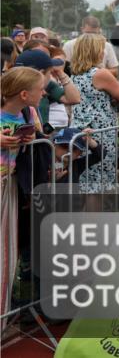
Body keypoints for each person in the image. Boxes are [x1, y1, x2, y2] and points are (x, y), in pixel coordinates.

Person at [1, 66, 45, 325]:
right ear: (25, 94)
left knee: (7, 252)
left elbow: (39, 137)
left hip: (10, 187)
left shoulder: (28, 113)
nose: (44, 93)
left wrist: (31, 140)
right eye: (40, 89)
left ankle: (4, 311)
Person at [70, 33, 119, 193]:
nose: (104, 52)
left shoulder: (74, 75)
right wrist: (114, 100)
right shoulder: (100, 74)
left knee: (86, 181)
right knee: (97, 185)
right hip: (100, 133)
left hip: (80, 131)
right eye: (101, 48)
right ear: (94, 51)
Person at [13, 48, 80, 129]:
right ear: (41, 73)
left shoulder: (48, 85)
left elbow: (74, 99)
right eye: (50, 72)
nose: (42, 94)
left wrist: (61, 73)